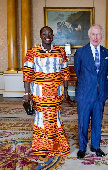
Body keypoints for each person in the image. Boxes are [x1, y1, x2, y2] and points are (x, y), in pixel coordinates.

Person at [23, 26, 70, 158]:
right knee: (41, 119)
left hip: (56, 93)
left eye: (49, 33)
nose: (47, 36)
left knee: (55, 118)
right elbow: (27, 74)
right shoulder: (33, 51)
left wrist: (66, 90)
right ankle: (42, 148)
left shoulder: (60, 51)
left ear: (53, 36)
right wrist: (27, 93)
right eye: (44, 34)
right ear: (40, 36)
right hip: (39, 93)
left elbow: (65, 73)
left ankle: (57, 146)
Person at [74, 24, 108, 159]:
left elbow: (104, 72)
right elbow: (78, 72)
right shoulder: (81, 52)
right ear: (89, 36)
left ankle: (96, 146)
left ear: (101, 37)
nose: (96, 37)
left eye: (98, 34)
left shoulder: (107, 53)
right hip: (84, 93)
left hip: (100, 93)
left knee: (97, 121)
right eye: (93, 34)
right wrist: (88, 84)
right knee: (83, 122)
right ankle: (82, 148)